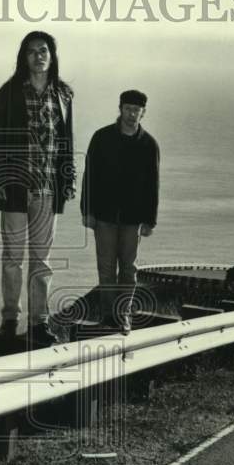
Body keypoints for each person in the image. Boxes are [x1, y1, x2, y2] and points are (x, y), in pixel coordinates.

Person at [0, 31, 75, 347]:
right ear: (24, 58)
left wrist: (68, 180)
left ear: (52, 56)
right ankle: (10, 320)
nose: (38, 56)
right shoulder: (9, 93)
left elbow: (67, 143)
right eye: (32, 51)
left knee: (42, 259)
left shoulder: (63, 95)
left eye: (44, 50)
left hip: (49, 189)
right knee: (13, 257)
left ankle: (38, 323)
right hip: (15, 188)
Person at [80, 90, 159, 334]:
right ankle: (107, 317)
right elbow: (89, 176)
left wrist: (150, 221)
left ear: (143, 112)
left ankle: (123, 315)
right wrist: (87, 210)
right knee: (105, 269)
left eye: (136, 109)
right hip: (103, 216)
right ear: (120, 109)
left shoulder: (149, 144)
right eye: (128, 108)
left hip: (132, 220)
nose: (132, 113)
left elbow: (153, 185)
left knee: (128, 270)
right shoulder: (101, 138)